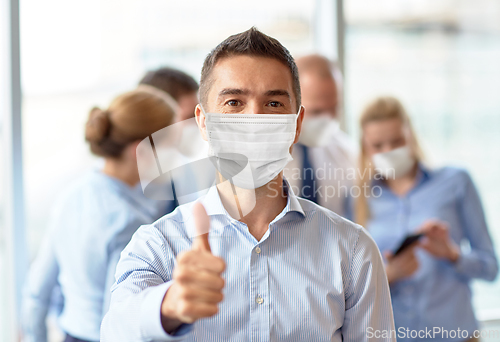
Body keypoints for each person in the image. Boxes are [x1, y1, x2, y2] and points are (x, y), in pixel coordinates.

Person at [101, 27, 395, 342]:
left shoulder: (352, 251)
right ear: (203, 122)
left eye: (273, 105)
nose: (254, 119)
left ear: (296, 125)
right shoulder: (158, 245)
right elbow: (116, 327)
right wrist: (169, 306)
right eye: (234, 102)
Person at [21, 86, 178, 342]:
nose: (177, 156)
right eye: (171, 146)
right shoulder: (127, 221)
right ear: (141, 150)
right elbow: (118, 320)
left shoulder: (71, 195)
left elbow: (38, 289)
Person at [353, 96, 498, 342]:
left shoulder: (456, 182)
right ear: (366, 148)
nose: (388, 152)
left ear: (411, 136)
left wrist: (453, 254)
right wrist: (390, 274)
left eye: (397, 141)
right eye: (378, 145)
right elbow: (350, 288)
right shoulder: (357, 199)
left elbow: (490, 267)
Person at [283, 54, 356, 216]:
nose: (328, 119)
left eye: (335, 108)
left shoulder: (347, 153)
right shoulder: (261, 156)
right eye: (317, 111)